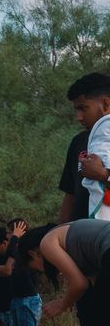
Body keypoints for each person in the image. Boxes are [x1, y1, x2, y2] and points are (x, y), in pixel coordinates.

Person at [59, 73, 110, 223]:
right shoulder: (78, 141)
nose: (79, 117)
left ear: (106, 104)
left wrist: (103, 175)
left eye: (83, 108)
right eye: (76, 110)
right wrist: (61, 229)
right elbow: (70, 194)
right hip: (80, 232)